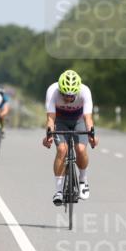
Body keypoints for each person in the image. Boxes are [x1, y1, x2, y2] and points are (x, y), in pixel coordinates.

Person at [42, 69, 96, 205]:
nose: (68, 99)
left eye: (71, 96)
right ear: (60, 89)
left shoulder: (85, 91)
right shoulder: (52, 91)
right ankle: (59, 191)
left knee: (81, 149)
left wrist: (92, 135)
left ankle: (83, 180)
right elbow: (50, 118)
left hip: (79, 121)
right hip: (60, 121)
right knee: (61, 150)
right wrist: (48, 135)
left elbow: (88, 119)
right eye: (65, 95)